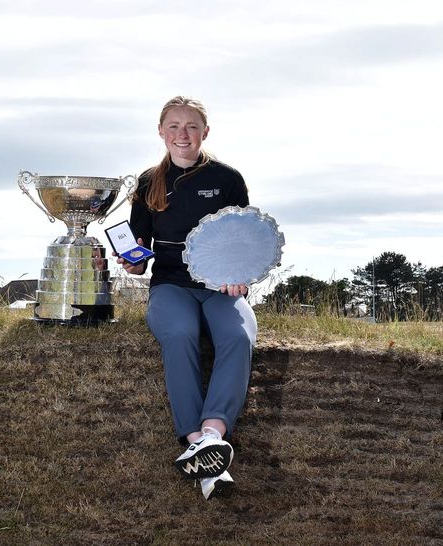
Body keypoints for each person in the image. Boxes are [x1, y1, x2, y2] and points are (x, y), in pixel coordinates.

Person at [116, 96, 257, 500]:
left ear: (205, 132)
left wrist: (238, 276)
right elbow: (140, 256)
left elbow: (244, 240)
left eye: (191, 126)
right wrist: (133, 262)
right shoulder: (147, 183)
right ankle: (197, 440)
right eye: (174, 126)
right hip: (171, 285)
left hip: (219, 288)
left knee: (238, 337)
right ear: (161, 132)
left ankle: (212, 433)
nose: (183, 134)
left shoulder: (228, 179)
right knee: (179, 334)